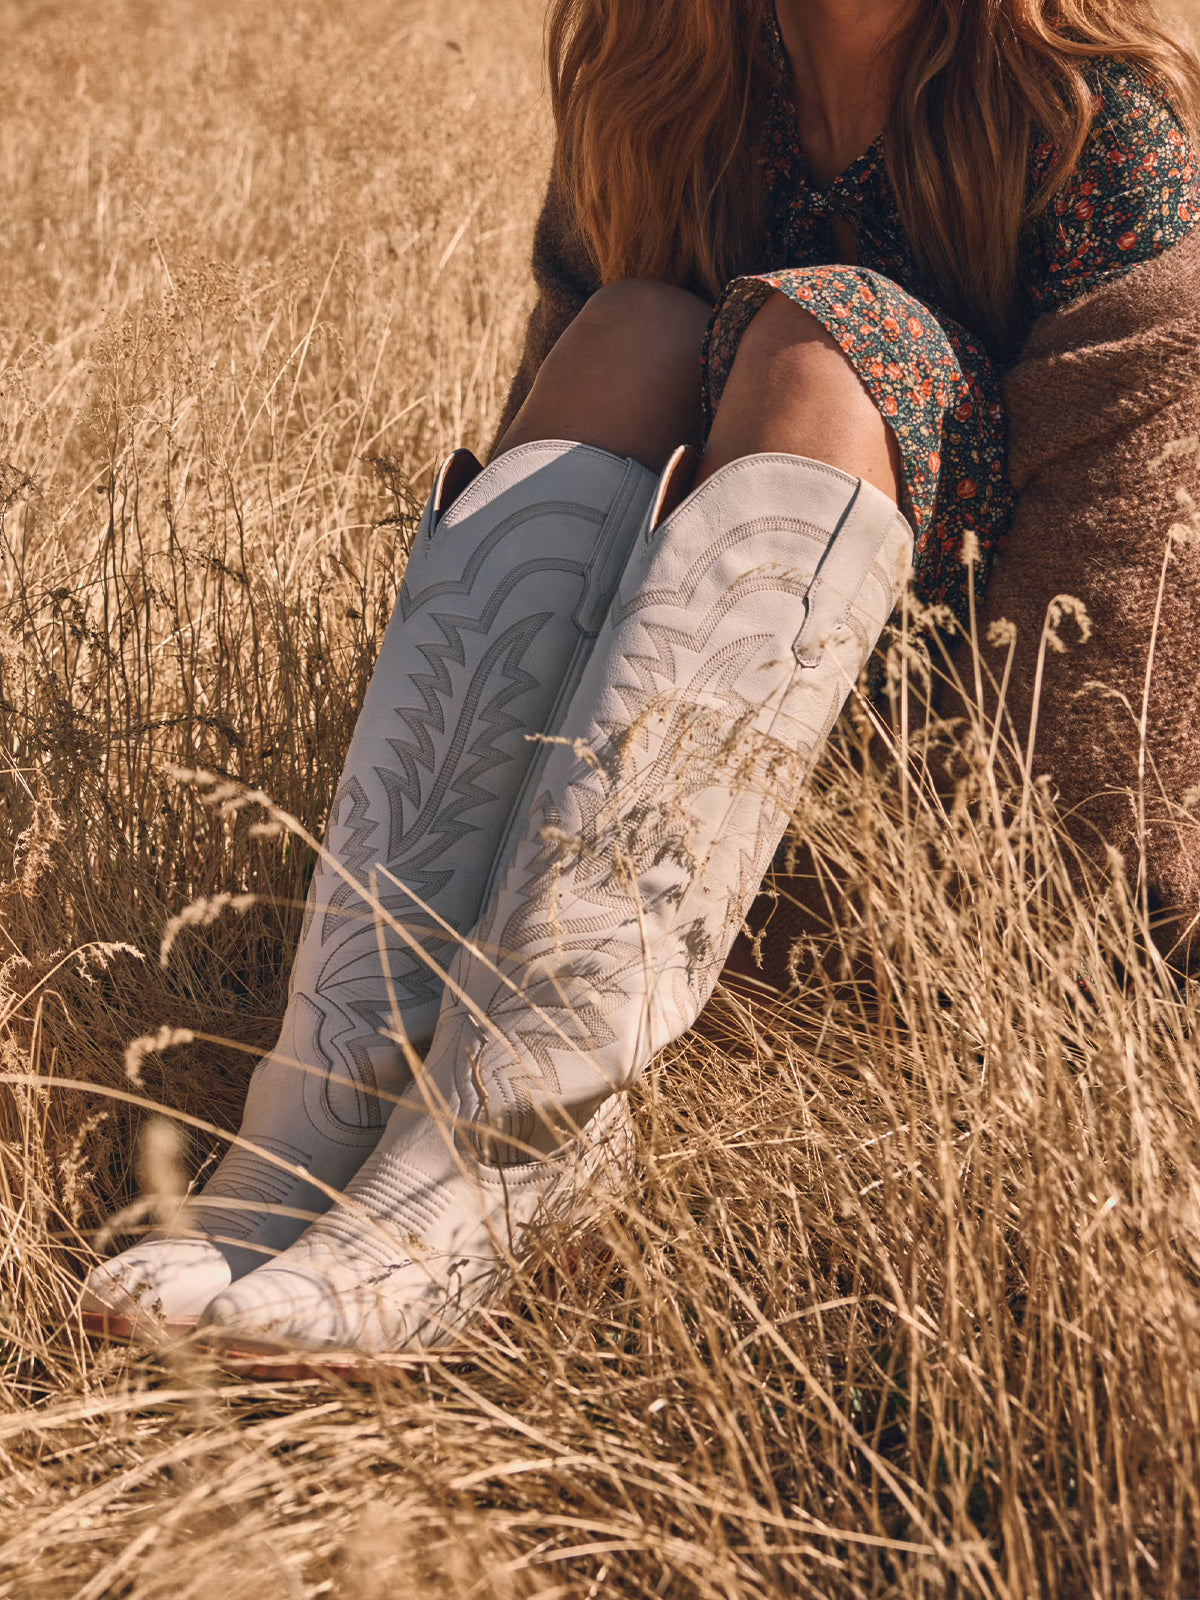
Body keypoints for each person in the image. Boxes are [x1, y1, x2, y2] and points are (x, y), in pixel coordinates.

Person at [83, 0, 1200, 1353]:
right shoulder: (664, 73)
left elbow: (1121, 641)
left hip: (942, 821)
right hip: (640, 812)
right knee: (626, 332)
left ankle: (504, 1150)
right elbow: (535, 572)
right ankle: (328, 1115)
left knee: (823, 344)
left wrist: (1010, 956)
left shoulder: (1093, 126)